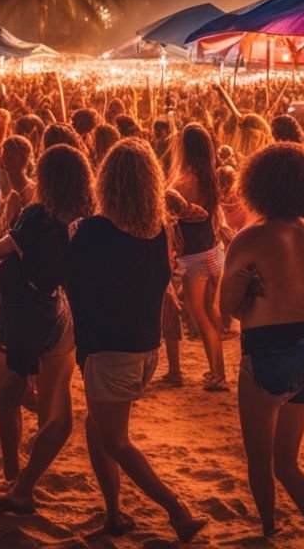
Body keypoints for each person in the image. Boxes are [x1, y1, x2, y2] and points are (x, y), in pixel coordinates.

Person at [66, 137, 206, 542]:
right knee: (97, 426)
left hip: (112, 351)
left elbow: (72, 280)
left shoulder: (93, 231)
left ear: (106, 182)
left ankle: (176, 509)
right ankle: (113, 513)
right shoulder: (157, 232)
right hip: (145, 349)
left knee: (117, 440)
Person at [219, 143, 304, 548]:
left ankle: (269, 529)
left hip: (269, 352)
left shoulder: (249, 238)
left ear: (257, 185)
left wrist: (253, 299)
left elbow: (226, 311)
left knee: (260, 459)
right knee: (287, 463)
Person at [0, 144, 90, 513]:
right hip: (62, 313)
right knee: (55, 407)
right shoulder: (85, 219)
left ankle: (15, 478)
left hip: (23, 315)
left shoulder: (37, 215)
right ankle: (23, 480)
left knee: (6, 399)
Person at [167, 123, 228, 391]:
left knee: (201, 317)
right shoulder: (210, 178)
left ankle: (218, 375)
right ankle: (218, 369)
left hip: (196, 259)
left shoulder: (183, 183)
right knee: (212, 316)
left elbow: (172, 210)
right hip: (213, 251)